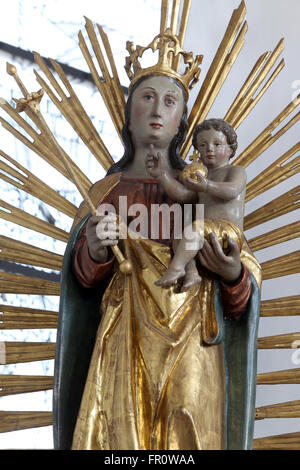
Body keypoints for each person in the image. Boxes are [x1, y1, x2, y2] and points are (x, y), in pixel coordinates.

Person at [53, 74, 261, 450]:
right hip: (124, 336)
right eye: (147, 98)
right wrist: (97, 249)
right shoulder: (107, 192)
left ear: (182, 122)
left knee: (190, 429)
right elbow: (80, 286)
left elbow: (242, 283)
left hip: (194, 336)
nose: (156, 109)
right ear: (128, 116)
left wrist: (233, 274)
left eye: (170, 102)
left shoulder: (199, 187)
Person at [145, 118, 246, 292]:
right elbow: (184, 195)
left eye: (217, 144)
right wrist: (162, 174)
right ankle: (191, 273)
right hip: (204, 232)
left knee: (194, 230)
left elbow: (232, 190)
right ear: (197, 150)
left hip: (227, 231)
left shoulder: (235, 171)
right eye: (203, 145)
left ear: (230, 149)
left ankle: (175, 269)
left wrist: (207, 185)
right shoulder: (203, 176)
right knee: (179, 240)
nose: (210, 149)